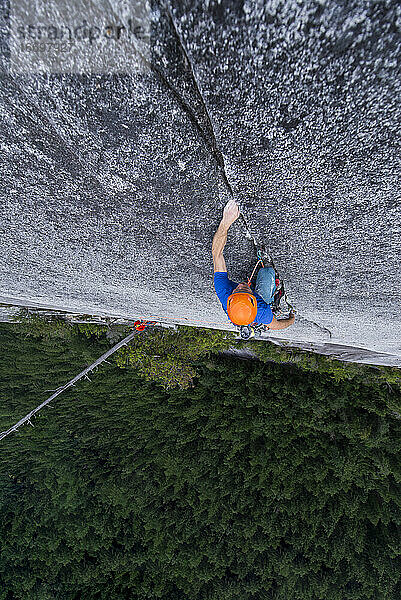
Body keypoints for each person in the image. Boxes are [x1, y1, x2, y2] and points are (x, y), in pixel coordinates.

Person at [212, 198, 295, 330]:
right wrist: (291, 320)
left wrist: (226, 221)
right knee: (267, 272)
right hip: (254, 313)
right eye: (245, 289)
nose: (240, 285)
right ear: (254, 300)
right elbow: (276, 325)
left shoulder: (224, 292)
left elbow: (217, 254)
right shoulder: (262, 311)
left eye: (237, 290)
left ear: (231, 299)